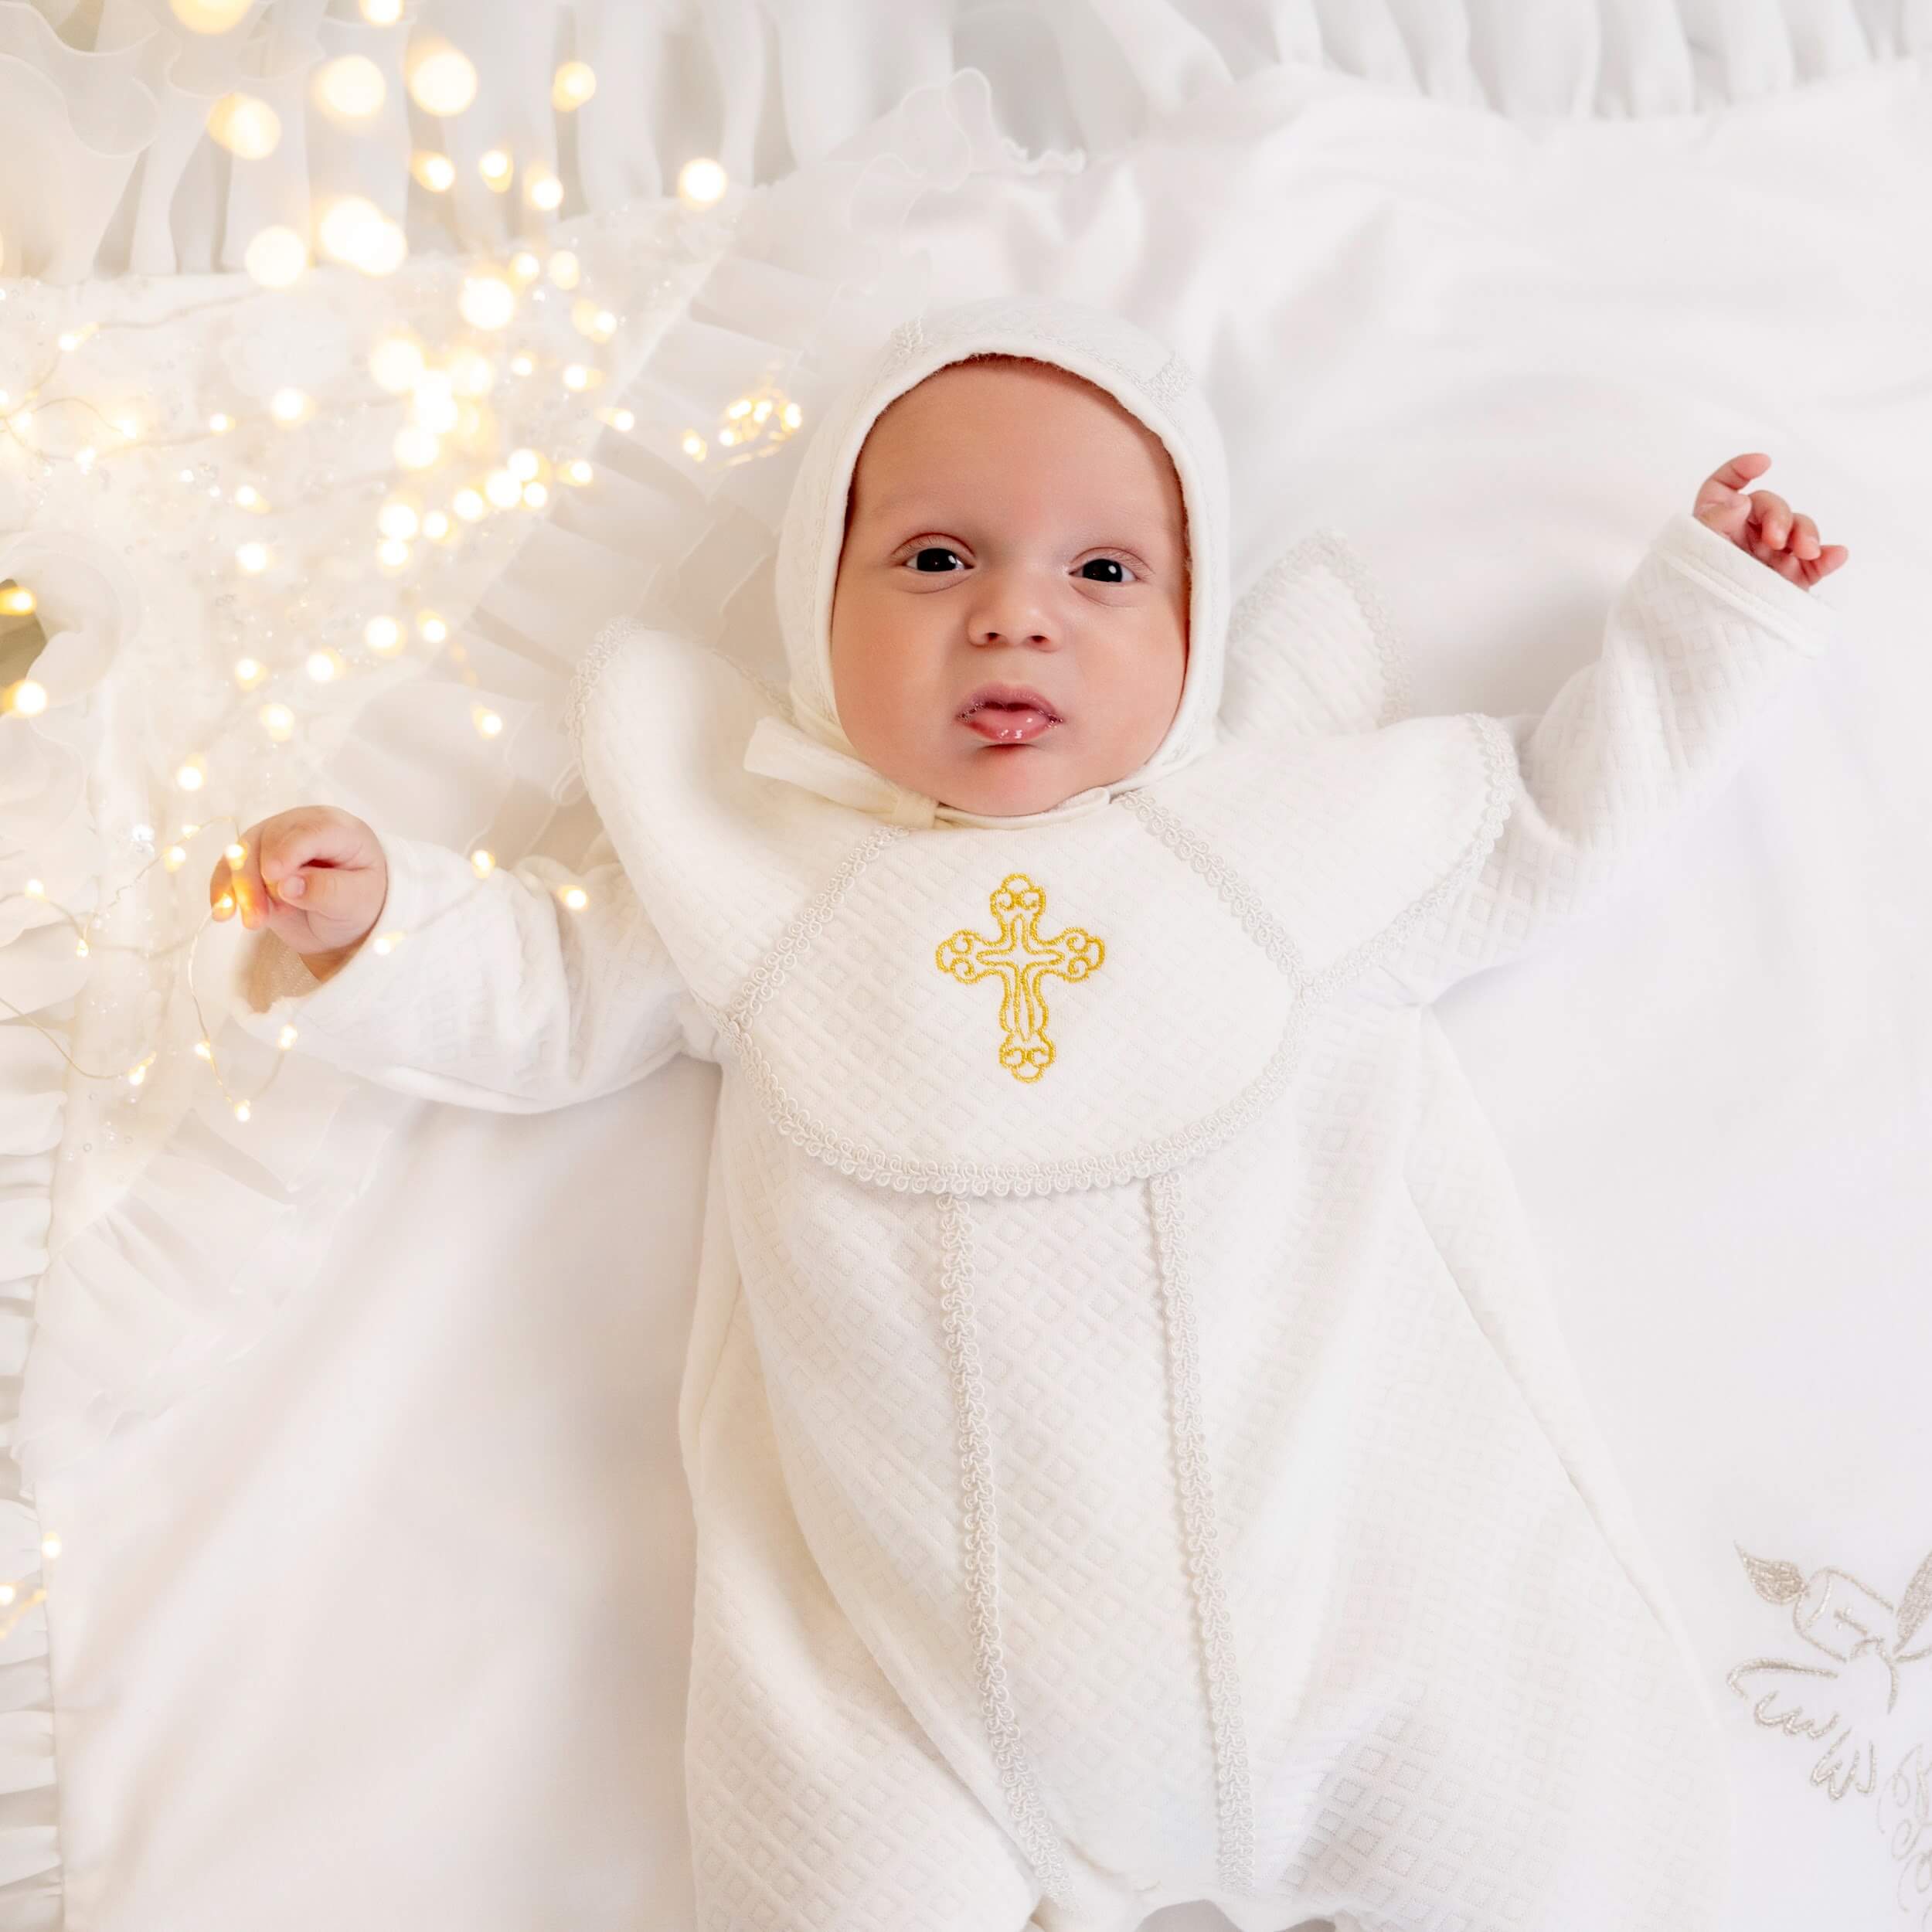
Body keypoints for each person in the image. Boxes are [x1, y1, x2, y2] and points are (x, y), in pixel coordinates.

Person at [217, 293, 1848, 1932]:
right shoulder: (759, 867)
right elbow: (553, 980)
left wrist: (1703, 615)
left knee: (1547, 1830)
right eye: (934, 559)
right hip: (913, 1697)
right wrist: (379, 923)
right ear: (814, 604)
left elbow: (1546, 817)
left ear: (1197, 632)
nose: (1013, 617)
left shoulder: (1275, 838)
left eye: (1102, 572)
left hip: (1355, 1632)